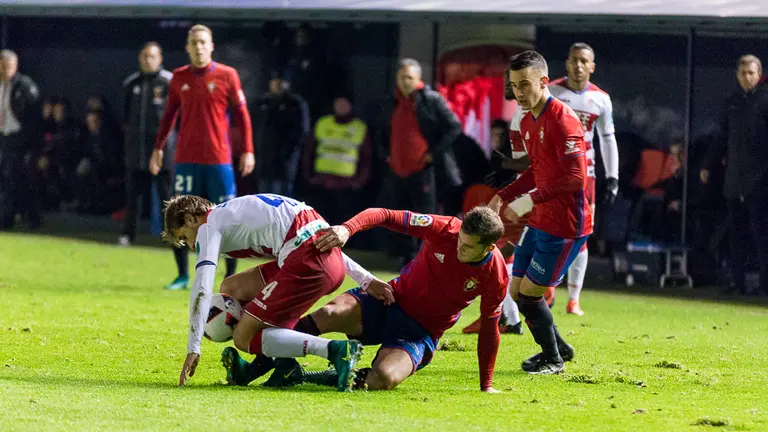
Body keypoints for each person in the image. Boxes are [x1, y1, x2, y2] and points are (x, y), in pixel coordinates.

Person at [253, 206, 509, 392]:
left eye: (467, 247)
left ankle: (310, 376)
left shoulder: (494, 276)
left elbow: (489, 328)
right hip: (388, 300)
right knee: (329, 313)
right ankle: (260, 362)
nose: (458, 248)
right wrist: (347, 228)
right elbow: (385, 215)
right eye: (460, 240)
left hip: (419, 332)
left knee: (383, 379)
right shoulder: (445, 229)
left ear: (489, 248)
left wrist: (486, 384)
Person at [162, 193, 374, 391]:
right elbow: (319, 237)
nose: (191, 244)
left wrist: (194, 347)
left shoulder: (208, 227)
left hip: (307, 262)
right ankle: (283, 367)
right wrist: (366, 279)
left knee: (243, 337)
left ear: (190, 219)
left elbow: (202, 287)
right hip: (320, 257)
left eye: (185, 236)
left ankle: (335, 350)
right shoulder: (230, 211)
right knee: (231, 288)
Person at [489, 50, 590, 374]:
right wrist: (503, 196)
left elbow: (576, 179)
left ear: (544, 81)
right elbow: (537, 170)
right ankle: (558, 347)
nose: (518, 92)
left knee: (530, 294)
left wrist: (529, 200)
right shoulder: (529, 118)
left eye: (525, 84)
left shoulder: (563, 119)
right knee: (518, 291)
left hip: (566, 225)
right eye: (514, 85)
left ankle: (553, 359)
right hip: (541, 218)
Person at [508, 43, 619, 316]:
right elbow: (519, 125)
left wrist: (613, 176)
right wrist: (521, 169)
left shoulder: (601, 99)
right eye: (574, 60)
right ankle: (545, 289)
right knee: (544, 228)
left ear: (592, 66)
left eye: (584, 61)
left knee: (577, 235)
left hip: (584, 175)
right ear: (566, 63)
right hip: (550, 172)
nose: (578, 66)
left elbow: (607, 138)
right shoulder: (549, 92)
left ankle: (573, 297)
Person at [150, 24, 256, 290]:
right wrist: (158, 148)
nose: (198, 47)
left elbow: (242, 117)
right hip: (186, 160)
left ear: (211, 46)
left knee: (228, 218)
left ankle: (230, 275)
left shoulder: (227, 75)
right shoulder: (179, 77)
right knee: (178, 215)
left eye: (203, 42)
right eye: (194, 42)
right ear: (187, 47)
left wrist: (248, 150)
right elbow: (168, 117)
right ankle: (182, 275)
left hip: (219, 161)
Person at [375, 58, 462, 265]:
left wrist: (434, 153)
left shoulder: (432, 100)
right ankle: (405, 255)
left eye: (410, 78)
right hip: (397, 168)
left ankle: (427, 255)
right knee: (399, 212)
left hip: (423, 167)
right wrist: (385, 154)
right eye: (403, 77)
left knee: (424, 214)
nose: (406, 82)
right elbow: (380, 131)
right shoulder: (390, 101)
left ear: (418, 79)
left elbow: (454, 127)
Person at [701, 54, 768, 296]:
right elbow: (721, 137)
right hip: (734, 179)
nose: (747, 78)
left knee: (761, 234)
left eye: (751, 73)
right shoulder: (731, 102)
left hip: (760, 180)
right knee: (736, 233)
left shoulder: (765, 100)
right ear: (737, 75)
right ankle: (737, 282)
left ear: (759, 74)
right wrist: (707, 165)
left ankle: (764, 285)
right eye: (743, 73)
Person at [119, 42, 179, 261]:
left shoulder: (170, 82)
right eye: (144, 56)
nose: (147, 60)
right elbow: (125, 117)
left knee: (167, 197)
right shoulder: (132, 83)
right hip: (137, 151)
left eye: (152, 56)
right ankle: (127, 234)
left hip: (163, 151)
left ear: (160, 58)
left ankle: (172, 237)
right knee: (132, 196)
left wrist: (168, 145)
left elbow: (178, 117)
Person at [302, 95, 372, 225]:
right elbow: (309, 150)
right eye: (338, 103)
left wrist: (359, 181)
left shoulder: (359, 127)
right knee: (319, 219)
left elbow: (366, 157)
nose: (341, 107)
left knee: (342, 219)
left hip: (345, 184)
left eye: (344, 103)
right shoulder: (323, 123)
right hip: (322, 181)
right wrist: (309, 176)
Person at [250, 70, 309, 197]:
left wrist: (288, 153)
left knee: (282, 199)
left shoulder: (295, 104)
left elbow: (301, 131)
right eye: (275, 82)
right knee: (263, 198)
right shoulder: (261, 103)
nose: (277, 85)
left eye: (281, 82)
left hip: (284, 161)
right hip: (264, 159)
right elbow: (253, 128)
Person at [0, 49, 41, 229]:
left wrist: (31, 142)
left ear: (15, 66)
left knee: (13, 178)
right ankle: (29, 215)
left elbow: (34, 114)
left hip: (19, 138)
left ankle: (8, 218)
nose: (4, 69)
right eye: (2, 65)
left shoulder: (24, 85)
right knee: (13, 180)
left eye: (7, 66)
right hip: (3, 136)